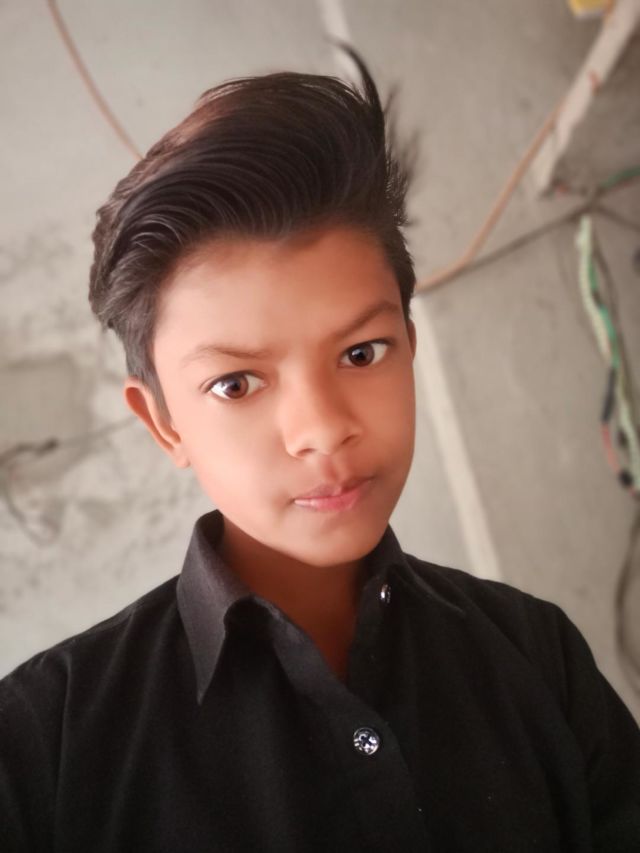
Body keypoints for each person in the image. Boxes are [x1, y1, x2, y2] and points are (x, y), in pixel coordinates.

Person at [1, 43, 639, 852]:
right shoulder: (42, 752)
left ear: (410, 345)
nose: (324, 427)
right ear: (164, 423)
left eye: (361, 352)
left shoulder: (535, 653)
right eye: (236, 383)